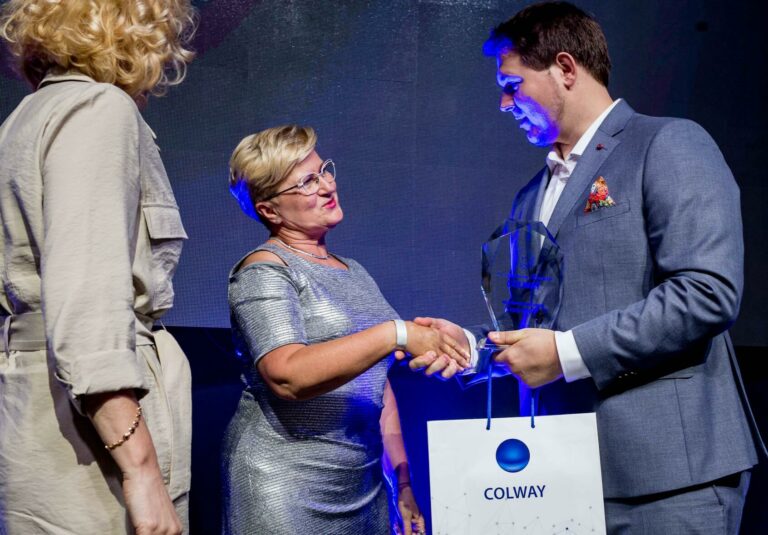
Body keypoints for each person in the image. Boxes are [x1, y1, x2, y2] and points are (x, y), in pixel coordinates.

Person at [413, 2, 766, 533]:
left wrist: (565, 354)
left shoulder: (669, 143)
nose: (504, 104)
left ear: (565, 68)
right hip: (565, 476)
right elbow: (536, 323)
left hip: (670, 477)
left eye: (512, 85)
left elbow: (706, 293)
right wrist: (473, 347)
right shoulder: (531, 194)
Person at [0, 1, 196, 533]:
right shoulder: (97, 109)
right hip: (92, 431)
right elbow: (88, 306)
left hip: (38, 409)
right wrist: (142, 471)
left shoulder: (25, 118)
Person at [223, 125, 469, 535]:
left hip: (363, 488)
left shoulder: (354, 271)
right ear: (270, 210)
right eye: (307, 182)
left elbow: (377, 386)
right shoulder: (263, 270)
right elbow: (286, 375)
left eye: (324, 171)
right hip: (285, 487)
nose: (327, 186)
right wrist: (394, 333)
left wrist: (402, 481)